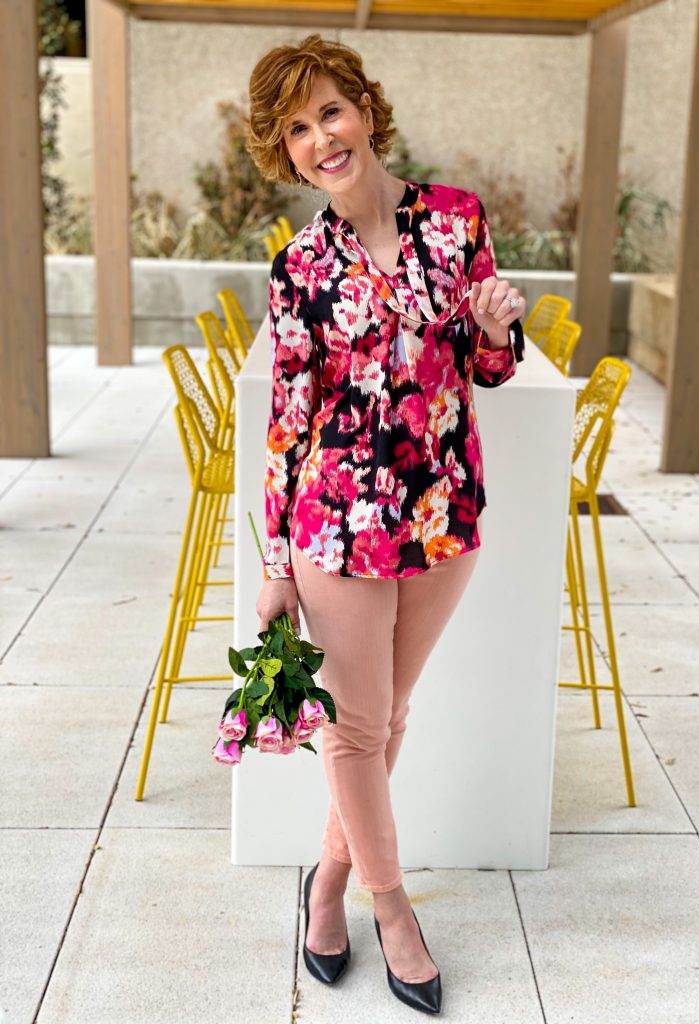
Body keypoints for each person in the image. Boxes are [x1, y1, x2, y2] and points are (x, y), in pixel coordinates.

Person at [246, 32, 525, 1014]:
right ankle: (389, 905)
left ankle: (325, 878)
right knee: (356, 728)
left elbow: (489, 369)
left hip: (447, 514)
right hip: (339, 525)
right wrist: (276, 557)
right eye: (296, 130)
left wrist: (495, 325)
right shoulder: (299, 268)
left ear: (363, 108)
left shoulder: (456, 221)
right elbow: (287, 419)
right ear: (285, 155)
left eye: (330, 110)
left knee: (387, 716)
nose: (321, 137)